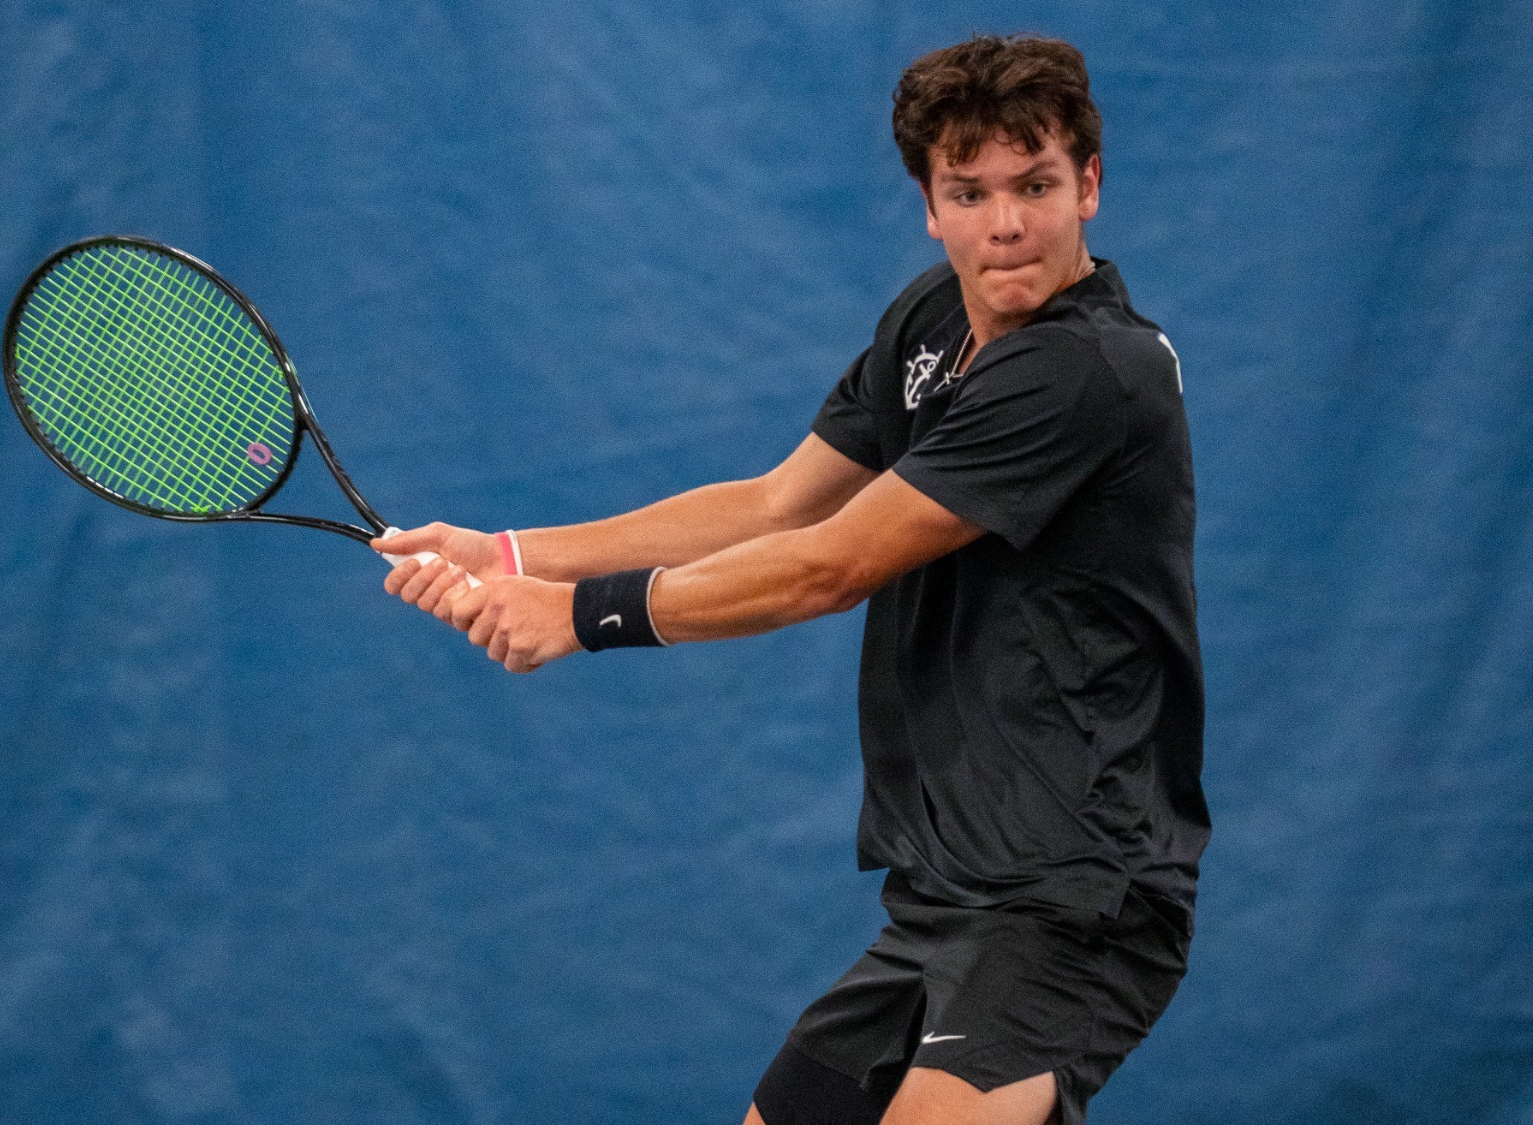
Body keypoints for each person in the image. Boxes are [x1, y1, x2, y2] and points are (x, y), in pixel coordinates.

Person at [374, 33, 1207, 1125]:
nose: (1004, 223)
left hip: (1074, 891)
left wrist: (579, 617)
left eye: (1034, 185)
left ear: (1087, 186)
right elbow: (778, 502)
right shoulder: (928, 320)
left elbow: (831, 565)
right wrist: (515, 555)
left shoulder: (1085, 370)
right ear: (929, 204)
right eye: (969, 191)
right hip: (946, 893)